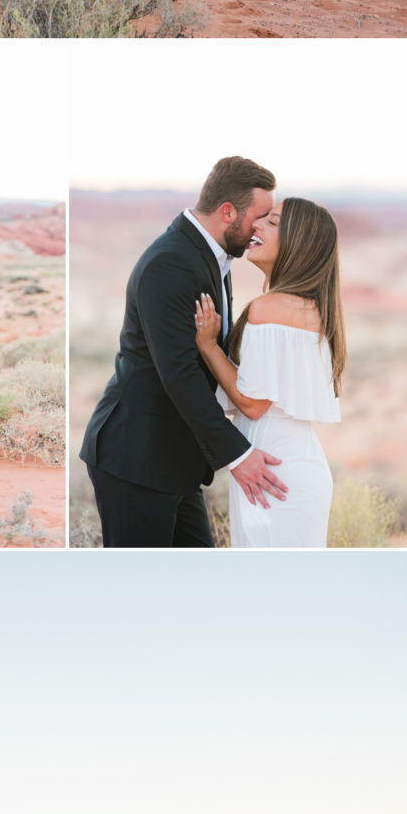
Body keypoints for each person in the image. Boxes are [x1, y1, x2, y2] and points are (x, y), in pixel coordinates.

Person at [79, 157, 290, 546]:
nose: (260, 228)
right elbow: (178, 373)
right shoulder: (173, 262)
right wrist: (238, 457)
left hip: (174, 460)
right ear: (228, 211)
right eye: (258, 217)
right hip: (136, 460)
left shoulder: (212, 257)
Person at [193, 197, 344, 548]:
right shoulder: (315, 308)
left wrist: (209, 347)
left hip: (273, 473)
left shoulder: (268, 309)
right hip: (293, 466)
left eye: (273, 223)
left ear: (298, 244)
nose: (257, 225)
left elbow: (252, 403)